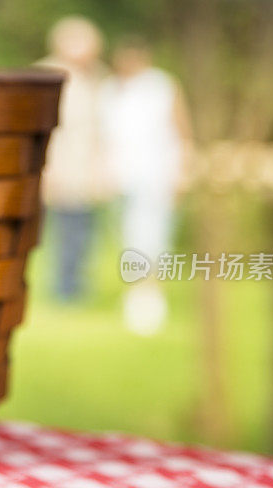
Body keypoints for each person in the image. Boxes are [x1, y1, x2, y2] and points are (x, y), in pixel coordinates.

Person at [99, 36, 192, 334]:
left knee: (152, 236)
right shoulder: (110, 90)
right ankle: (137, 294)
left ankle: (149, 296)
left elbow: (181, 131)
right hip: (121, 177)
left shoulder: (163, 86)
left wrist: (183, 169)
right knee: (129, 237)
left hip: (157, 174)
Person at [37, 17, 110, 301]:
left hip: (85, 170)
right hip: (56, 167)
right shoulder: (47, 75)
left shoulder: (99, 78)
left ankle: (73, 287)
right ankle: (63, 289)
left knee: (80, 233)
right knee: (53, 234)